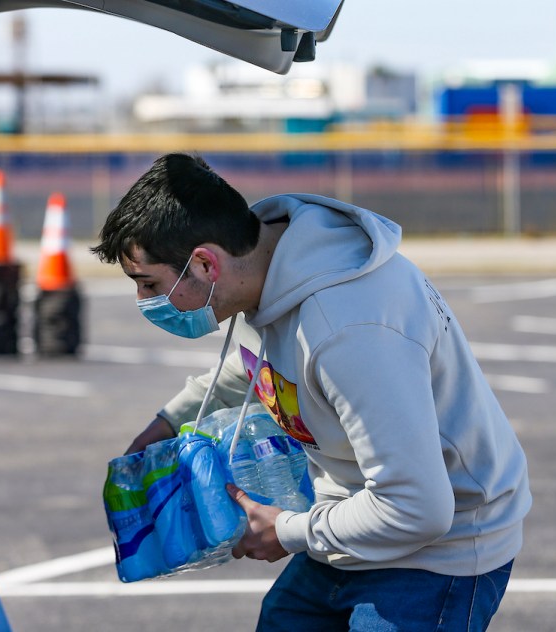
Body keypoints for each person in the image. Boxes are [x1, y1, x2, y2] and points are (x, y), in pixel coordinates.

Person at [91, 153, 531, 631]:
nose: (144, 303)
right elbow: (259, 366)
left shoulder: (349, 329)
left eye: (148, 284)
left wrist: (285, 531)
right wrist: (170, 422)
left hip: (437, 552)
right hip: (349, 522)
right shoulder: (266, 269)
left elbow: (419, 507)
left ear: (204, 263)